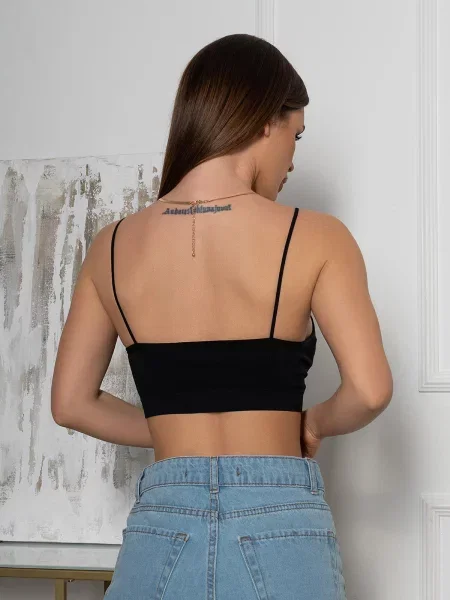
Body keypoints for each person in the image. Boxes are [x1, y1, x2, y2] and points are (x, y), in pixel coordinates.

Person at [51, 33, 393, 599]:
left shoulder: (111, 246)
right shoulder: (315, 237)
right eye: (295, 135)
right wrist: (312, 424)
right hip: (279, 521)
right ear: (265, 119)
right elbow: (371, 391)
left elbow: (70, 403)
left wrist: (170, 429)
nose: (292, 160)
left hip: (162, 523)